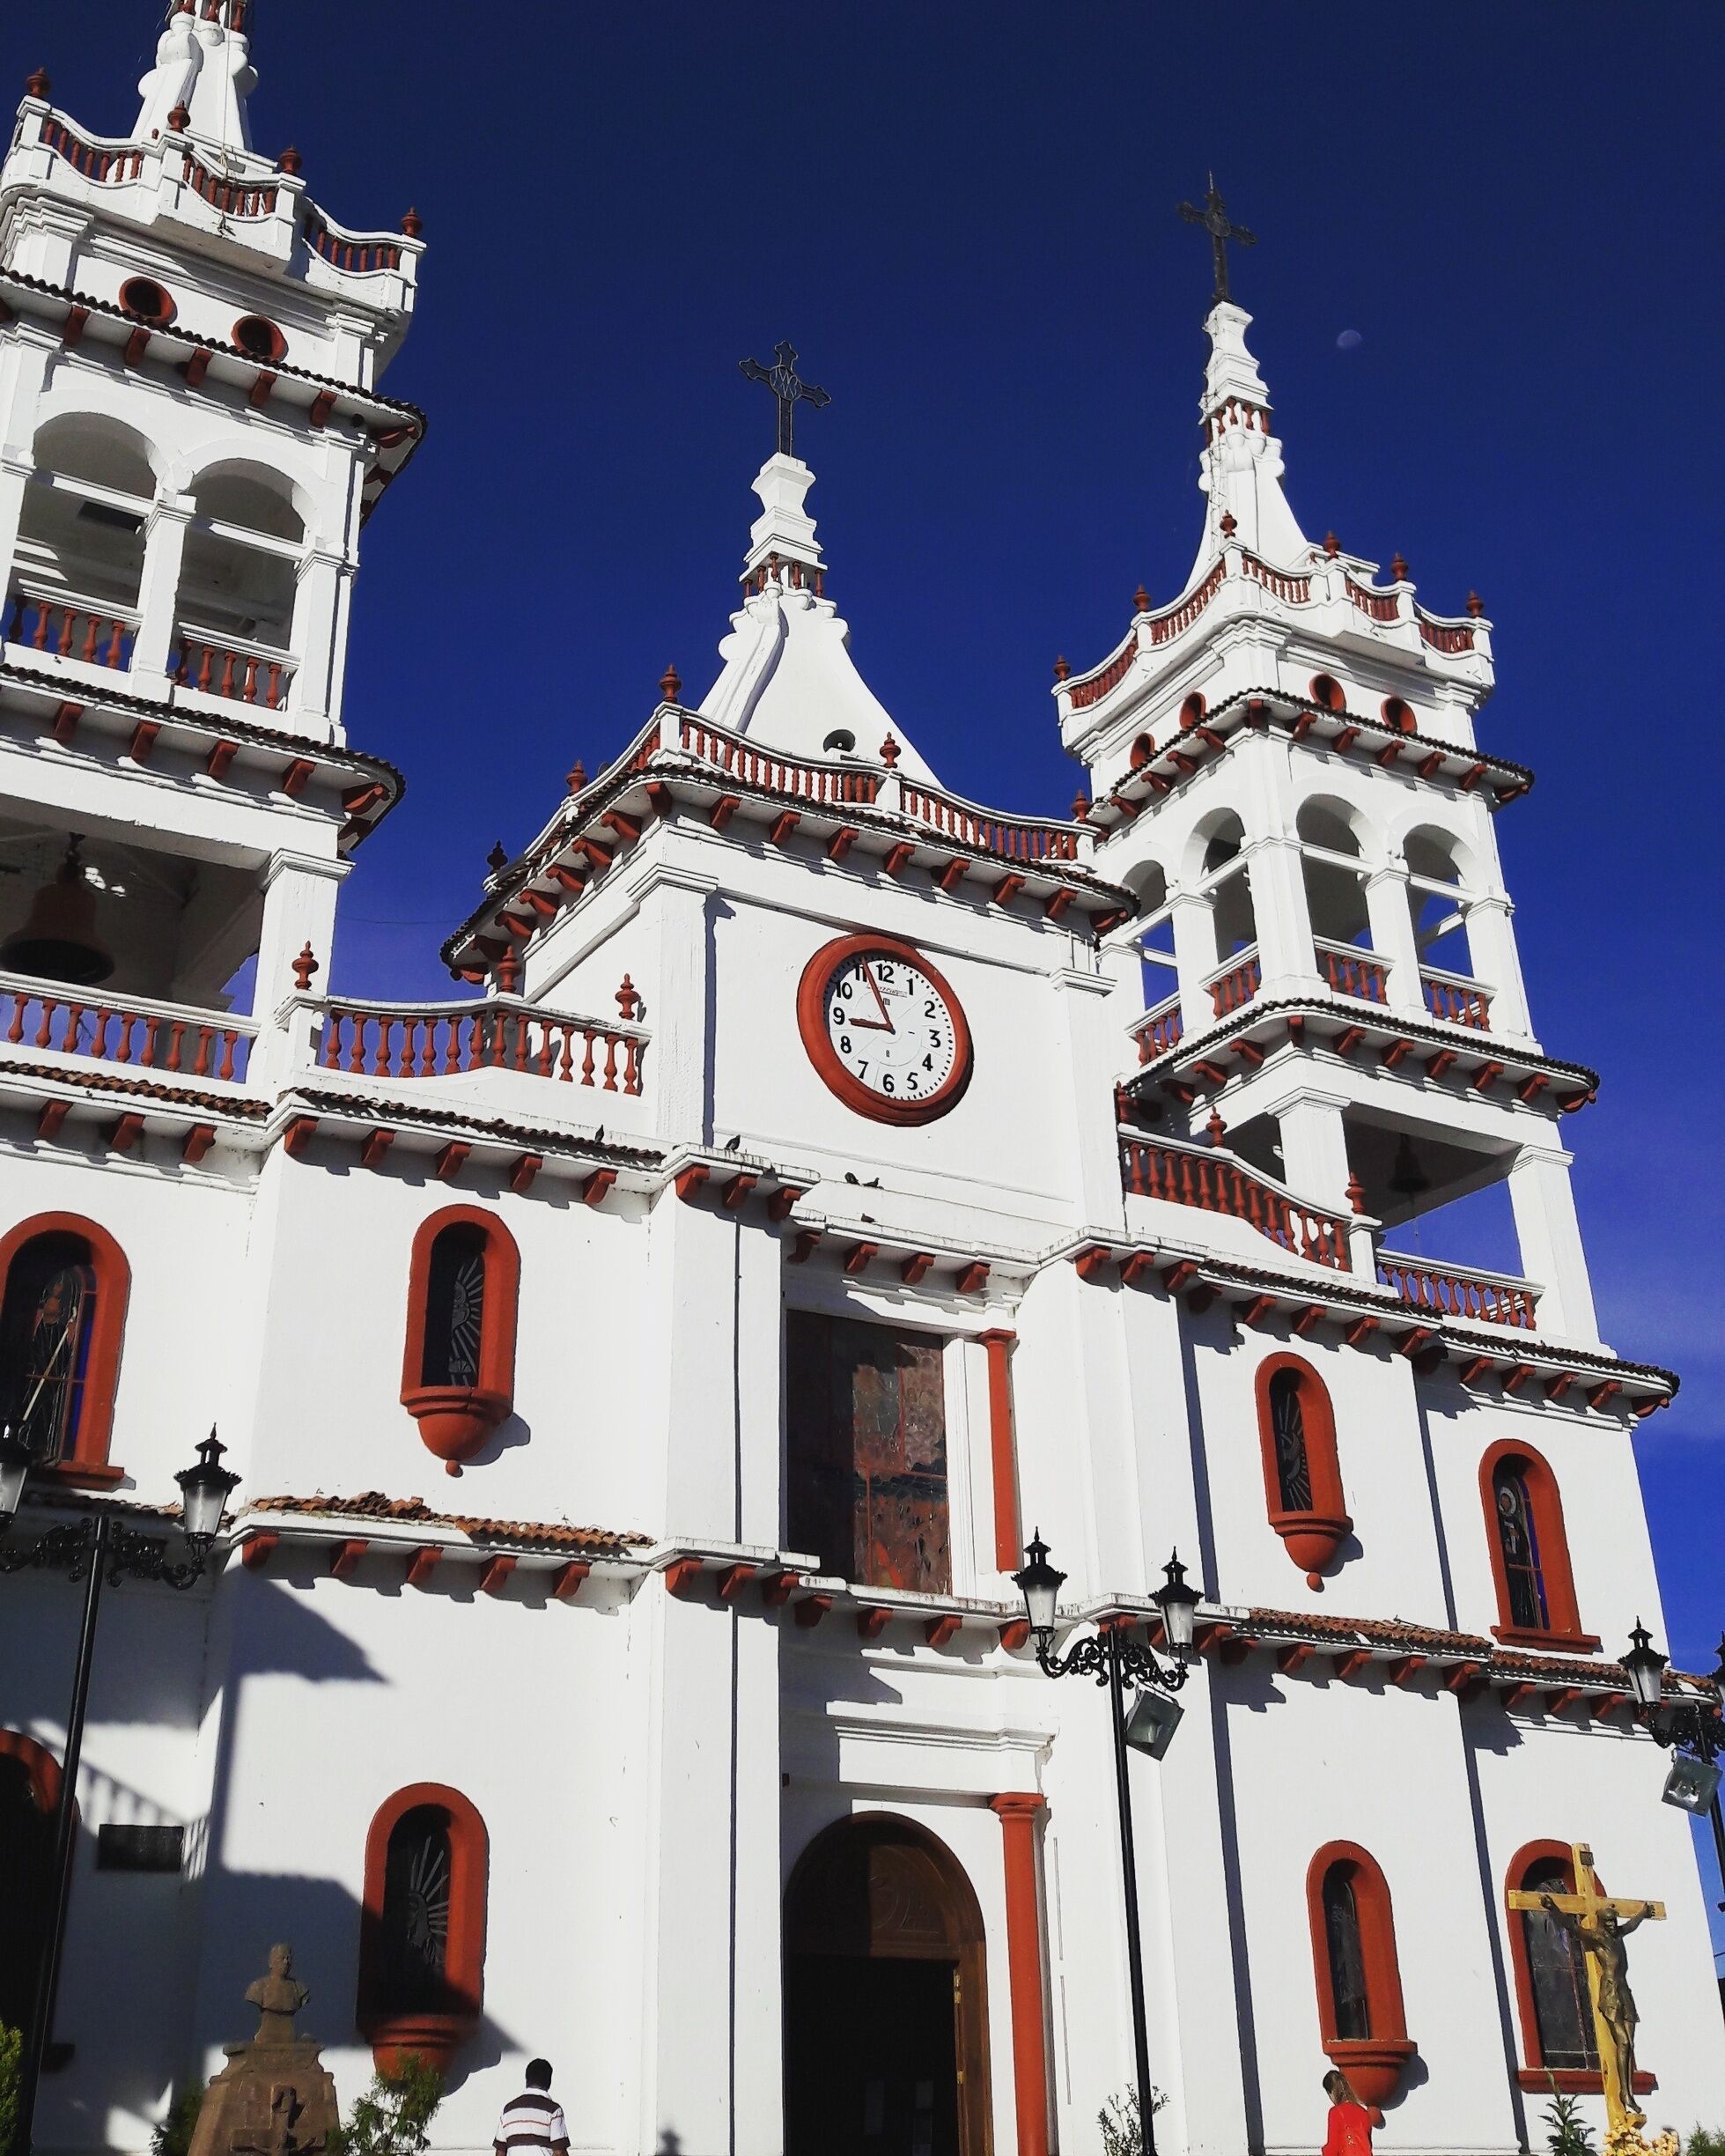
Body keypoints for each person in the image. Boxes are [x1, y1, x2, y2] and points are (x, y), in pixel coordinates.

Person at [495, 2059, 571, 2156]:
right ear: (549, 2081)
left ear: (527, 2079)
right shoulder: (553, 2110)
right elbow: (560, 2152)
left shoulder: (508, 2110)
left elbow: (500, 2152)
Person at [1321, 2069, 1375, 2156]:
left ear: (1331, 2092)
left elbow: (1332, 2148)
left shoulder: (1336, 2112)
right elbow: (1367, 2146)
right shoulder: (1363, 2112)